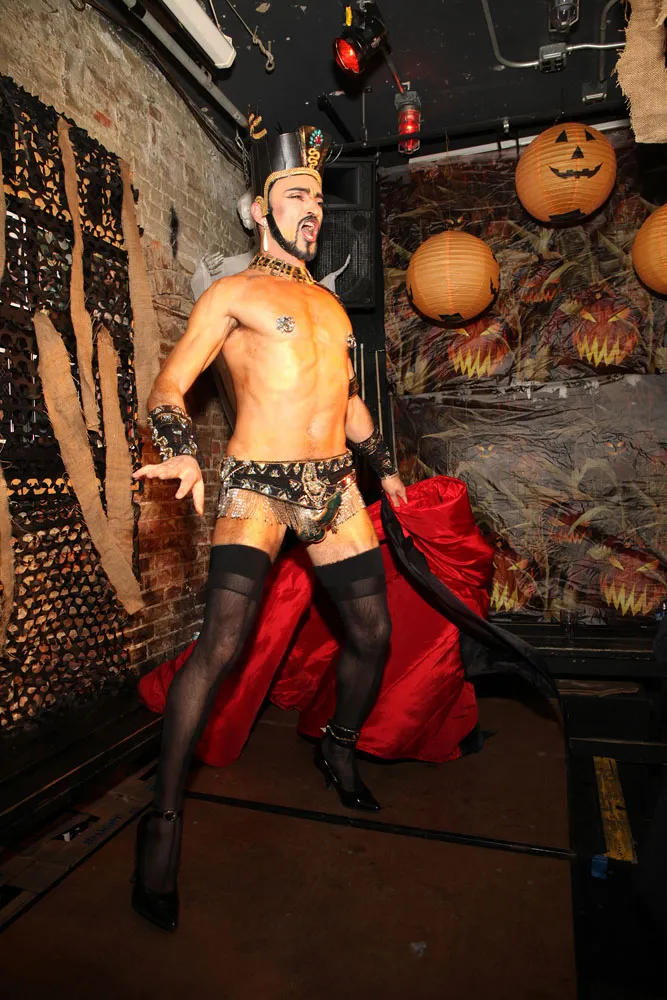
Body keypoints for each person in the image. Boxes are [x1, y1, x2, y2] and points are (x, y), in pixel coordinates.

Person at [130, 115, 408, 932]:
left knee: (373, 633)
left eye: (317, 199)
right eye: (294, 195)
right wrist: (181, 452)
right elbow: (169, 385)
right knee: (219, 647)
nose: (311, 209)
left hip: (333, 486)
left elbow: (347, 405)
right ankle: (163, 819)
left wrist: (388, 470)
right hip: (258, 483)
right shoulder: (233, 294)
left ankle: (338, 746)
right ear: (259, 209)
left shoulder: (331, 307)